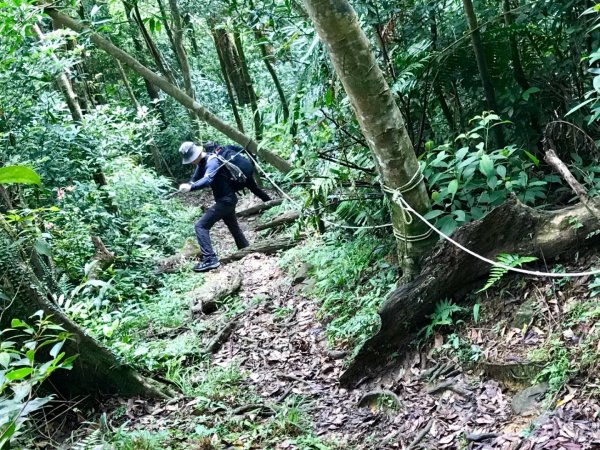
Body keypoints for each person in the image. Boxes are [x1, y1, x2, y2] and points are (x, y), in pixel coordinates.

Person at [178, 141, 269, 272]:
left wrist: (191, 187)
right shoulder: (201, 163)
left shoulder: (212, 161)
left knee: (200, 226)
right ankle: (245, 250)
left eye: (192, 158)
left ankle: (210, 259)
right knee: (233, 227)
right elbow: (195, 178)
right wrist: (189, 184)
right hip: (226, 200)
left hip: (226, 201)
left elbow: (207, 179)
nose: (192, 162)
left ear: (197, 153)